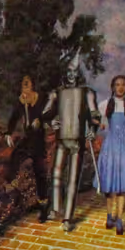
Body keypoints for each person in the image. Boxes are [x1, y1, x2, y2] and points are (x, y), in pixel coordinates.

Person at [46, 62, 99, 232]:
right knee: (56, 174)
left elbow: (94, 114)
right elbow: (46, 112)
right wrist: (50, 121)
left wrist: (92, 128)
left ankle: (67, 218)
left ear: (78, 74)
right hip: (61, 139)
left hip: (77, 141)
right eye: (68, 71)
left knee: (72, 180)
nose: (71, 74)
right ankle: (55, 208)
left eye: (74, 72)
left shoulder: (87, 93)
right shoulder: (56, 92)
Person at [0, 74, 53, 221]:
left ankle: (43, 207)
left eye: (28, 85)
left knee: (40, 172)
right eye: (23, 85)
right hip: (28, 139)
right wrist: (8, 132)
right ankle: (12, 188)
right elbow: (14, 117)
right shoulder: (21, 102)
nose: (25, 88)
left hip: (39, 140)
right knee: (15, 155)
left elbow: (51, 113)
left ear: (33, 86)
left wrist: (40, 120)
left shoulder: (41, 99)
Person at [94, 74, 125, 235]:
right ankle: (110, 216)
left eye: (123, 84)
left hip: (124, 145)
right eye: (117, 84)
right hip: (110, 145)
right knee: (110, 185)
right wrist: (98, 124)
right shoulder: (105, 104)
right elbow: (95, 119)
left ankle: (119, 219)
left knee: (121, 187)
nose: (120, 87)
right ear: (112, 87)